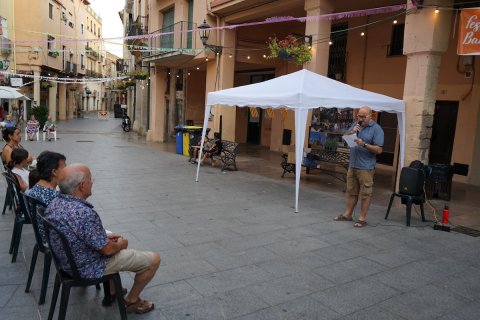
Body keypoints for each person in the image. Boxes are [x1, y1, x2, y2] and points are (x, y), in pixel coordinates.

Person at [45, 164, 160, 314]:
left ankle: (112, 291)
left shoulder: (54, 203)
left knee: (109, 235)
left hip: (67, 262)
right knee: (154, 260)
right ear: (81, 186)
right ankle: (131, 301)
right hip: (89, 266)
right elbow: (107, 250)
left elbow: (75, 231)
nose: (92, 183)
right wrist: (120, 244)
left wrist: (103, 236)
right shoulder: (84, 213)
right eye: (90, 180)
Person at [333, 106, 384, 228]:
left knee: (365, 193)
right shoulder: (356, 125)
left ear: (371, 116)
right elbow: (345, 137)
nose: (360, 119)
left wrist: (364, 144)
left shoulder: (377, 129)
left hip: (366, 167)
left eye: (363, 116)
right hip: (353, 164)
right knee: (352, 191)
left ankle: (362, 218)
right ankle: (347, 214)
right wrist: (351, 132)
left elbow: (379, 150)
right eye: (359, 116)